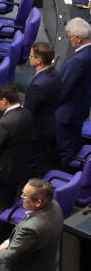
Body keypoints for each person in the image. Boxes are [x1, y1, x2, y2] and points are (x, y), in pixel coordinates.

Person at [0, 178, 62, 271]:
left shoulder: (32, 228)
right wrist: (9, 241)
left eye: (25, 196)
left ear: (38, 202)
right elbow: (28, 241)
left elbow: (9, 255)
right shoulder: (55, 206)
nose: (21, 198)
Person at [0, 83, 35, 250]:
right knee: (8, 203)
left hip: (1, 173)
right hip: (18, 169)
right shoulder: (26, 113)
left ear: (5, 101)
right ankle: (5, 238)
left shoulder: (5, 123)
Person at [52, 17, 90, 164]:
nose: (69, 40)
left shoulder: (77, 61)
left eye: (70, 37)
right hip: (82, 107)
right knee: (74, 140)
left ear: (79, 38)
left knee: (65, 148)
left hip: (67, 113)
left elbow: (64, 90)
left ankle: (66, 178)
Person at [24, 42, 59, 174]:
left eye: (31, 55)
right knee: (40, 158)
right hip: (48, 125)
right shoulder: (55, 74)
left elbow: (27, 114)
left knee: (32, 166)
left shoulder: (37, 86)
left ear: (39, 61)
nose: (29, 57)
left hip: (36, 132)